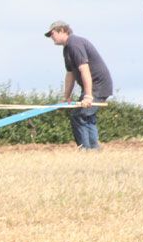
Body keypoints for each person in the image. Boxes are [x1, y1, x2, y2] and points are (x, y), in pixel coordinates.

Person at [45, 20, 113, 150]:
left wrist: (88, 96)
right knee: (87, 116)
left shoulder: (74, 44)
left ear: (62, 31)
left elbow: (84, 70)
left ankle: (86, 149)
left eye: (52, 34)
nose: (51, 37)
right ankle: (94, 149)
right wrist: (66, 97)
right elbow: (70, 74)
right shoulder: (67, 49)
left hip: (98, 86)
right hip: (93, 87)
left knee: (79, 115)